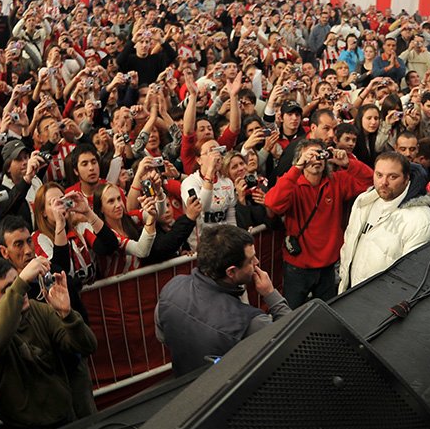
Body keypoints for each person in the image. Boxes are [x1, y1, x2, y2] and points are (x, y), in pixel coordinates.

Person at [0, 256, 97, 429]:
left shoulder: (38, 310)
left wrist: (67, 315)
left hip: (62, 418)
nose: (21, 292)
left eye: (17, 283)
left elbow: (88, 346)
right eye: (9, 290)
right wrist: (21, 281)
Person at [154, 223, 290, 376]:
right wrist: (271, 294)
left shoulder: (170, 289)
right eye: (251, 260)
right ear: (231, 272)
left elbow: (162, 336)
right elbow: (292, 343)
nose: (257, 262)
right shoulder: (250, 323)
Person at [264, 139, 373, 308]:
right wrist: (297, 167)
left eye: (319, 155)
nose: (316, 160)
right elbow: (272, 203)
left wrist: (348, 163)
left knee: (325, 314)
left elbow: (370, 182)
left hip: (328, 266)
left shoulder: (336, 181)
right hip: (298, 265)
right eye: (310, 156)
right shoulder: (291, 184)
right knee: (291, 315)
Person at [338, 152, 430, 292]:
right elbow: (349, 243)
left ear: (406, 179)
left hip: (381, 304)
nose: (383, 182)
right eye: (379, 175)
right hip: (350, 292)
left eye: (393, 177)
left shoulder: (422, 221)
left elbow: (415, 278)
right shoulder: (364, 202)